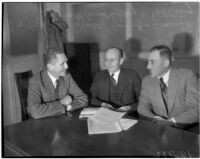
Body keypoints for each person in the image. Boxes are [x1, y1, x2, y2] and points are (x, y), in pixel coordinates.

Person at [137, 45, 199, 129]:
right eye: (148, 62)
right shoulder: (146, 81)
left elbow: (195, 109)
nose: (148, 66)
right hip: (158, 129)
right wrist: (156, 119)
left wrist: (171, 122)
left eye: (152, 62)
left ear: (166, 63)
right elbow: (142, 107)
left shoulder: (187, 76)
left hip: (185, 131)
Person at [28, 48, 88, 119]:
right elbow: (35, 112)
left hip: (63, 120)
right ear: (50, 67)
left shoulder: (67, 76)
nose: (67, 66)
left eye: (66, 62)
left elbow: (83, 98)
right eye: (62, 64)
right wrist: (62, 102)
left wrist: (68, 107)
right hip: (43, 124)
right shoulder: (35, 81)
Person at [90, 48, 141, 112]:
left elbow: (143, 101)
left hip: (128, 115)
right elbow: (91, 98)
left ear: (121, 61)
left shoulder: (133, 75)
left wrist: (129, 107)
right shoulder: (99, 76)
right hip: (106, 115)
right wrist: (103, 104)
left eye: (112, 60)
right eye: (106, 60)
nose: (109, 63)